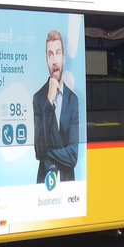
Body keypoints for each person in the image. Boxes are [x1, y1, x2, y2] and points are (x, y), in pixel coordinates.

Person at [32, 30, 80, 183]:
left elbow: (73, 156)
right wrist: (49, 101)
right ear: (46, 60)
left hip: (68, 183)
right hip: (44, 182)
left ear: (63, 59)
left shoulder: (73, 100)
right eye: (50, 54)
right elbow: (39, 151)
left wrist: (48, 151)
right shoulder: (39, 98)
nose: (54, 60)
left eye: (58, 53)